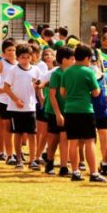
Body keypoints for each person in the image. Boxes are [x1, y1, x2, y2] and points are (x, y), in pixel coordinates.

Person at [59, 44, 107, 183]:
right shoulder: (89, 72)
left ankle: (75, 171)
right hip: (85, 110)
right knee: (89, 141)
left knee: (73, 142)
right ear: (86, 58)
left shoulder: (66, 71)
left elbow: (62, 92)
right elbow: (96, 92)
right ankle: (94, 173)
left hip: (70, 110)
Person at [1, 44, 41, 170]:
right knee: (17, 133)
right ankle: (18, 158)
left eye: (28, 57)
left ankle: (33, 159)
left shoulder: (35, 70)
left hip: (30, 106)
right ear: (18, 58)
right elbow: (6, 88)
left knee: (32, 134)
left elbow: (39, 85)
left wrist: (40, 93)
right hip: (15, 108)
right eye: (23, 57)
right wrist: (16, 100)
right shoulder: (13, 70)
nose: (25, 59)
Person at [45, 46, 76, 176]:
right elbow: (52, 95)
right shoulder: (56, 74)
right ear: (64, 60)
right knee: (53, 139)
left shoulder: (71, 73)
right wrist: (58, 114)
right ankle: (49, 162)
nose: (74, 60)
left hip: (67, 110)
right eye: (72, 58)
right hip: (54, 111)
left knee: (65, 138)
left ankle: (64, 166)